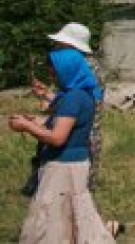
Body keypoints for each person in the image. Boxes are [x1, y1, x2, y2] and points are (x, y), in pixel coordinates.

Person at [9, 48, 122, 242]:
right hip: (76, 163)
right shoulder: (83, 94)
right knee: (76, 211)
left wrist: (26, 126)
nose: (52, 74)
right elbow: (63, 125)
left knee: (53, 215)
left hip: (63, 166)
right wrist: (35, 121)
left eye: (54, 70)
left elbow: (57, 137)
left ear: (67, 70)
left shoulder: (72, 99)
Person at [27, 23, 105, 194]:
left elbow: (78, 104)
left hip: (80, 136)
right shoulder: (80, 65)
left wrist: (30, 124)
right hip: (76, 131)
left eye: (61, 43)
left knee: (76, 193)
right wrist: (47, 95)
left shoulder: (83, 66)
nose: (57, 46)